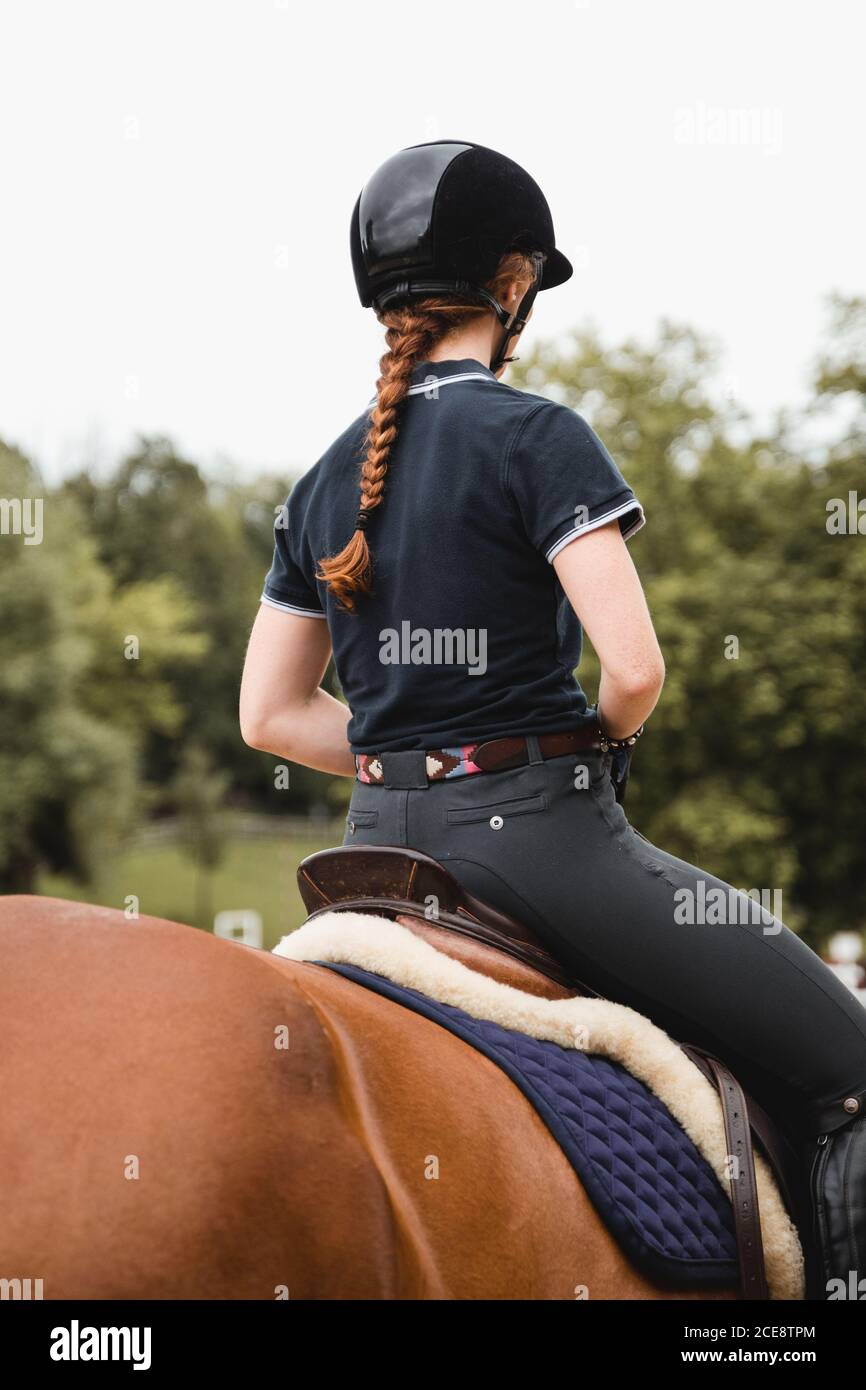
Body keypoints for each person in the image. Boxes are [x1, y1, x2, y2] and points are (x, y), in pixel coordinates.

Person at [239, 139, 866, 1297]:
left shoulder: (320, 481)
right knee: (849, 1066)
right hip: (541, 847)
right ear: (513, 282)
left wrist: (398, 754)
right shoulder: (538, 438)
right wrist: (601, 749)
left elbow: (271, 716)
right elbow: (631, 670)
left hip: (369, 857)